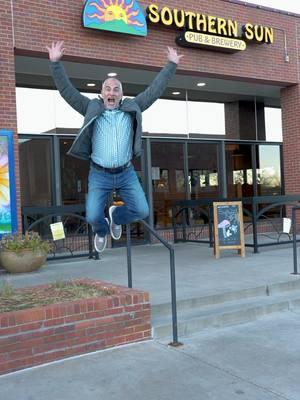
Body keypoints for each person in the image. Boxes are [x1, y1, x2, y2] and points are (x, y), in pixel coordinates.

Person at [47, 41, 183, 253]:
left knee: (142, 210)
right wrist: (55, 63)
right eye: (107, 89)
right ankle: (101, 231)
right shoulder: (91, 107)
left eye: (116, 89)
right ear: (102, 93)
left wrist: (171, 65)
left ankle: (116, 216)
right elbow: (67, 92)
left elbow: (154, 90)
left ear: (121, 93)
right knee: (92, 215)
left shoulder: (132, 107)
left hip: (126, 172)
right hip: (99, 174)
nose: (111, 93)